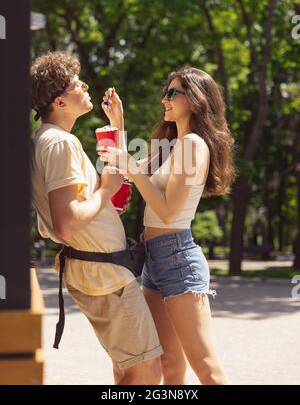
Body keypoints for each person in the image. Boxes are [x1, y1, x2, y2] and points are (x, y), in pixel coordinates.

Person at [31, 51, 162, 385]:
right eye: (77, 82)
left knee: (127, 366)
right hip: (105, 276)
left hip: (94, 271)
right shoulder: (62, 143)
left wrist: (117, 127)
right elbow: (65, 223)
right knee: (146, 370)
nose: (85, 83)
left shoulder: (43, 141)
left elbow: (72, 214)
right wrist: (105, 191)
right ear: (60, 101)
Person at [98, 67, 236, 385]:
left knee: (207, 368)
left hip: (177, 258)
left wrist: (130, 165)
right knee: (168, 365)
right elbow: (130, 172)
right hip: (155, 258)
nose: (165, 99)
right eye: (165, 92)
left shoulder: (193, 145)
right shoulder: (172, 146)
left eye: (173, 93)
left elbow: (169, 211)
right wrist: (118, 123)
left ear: (196, 99)